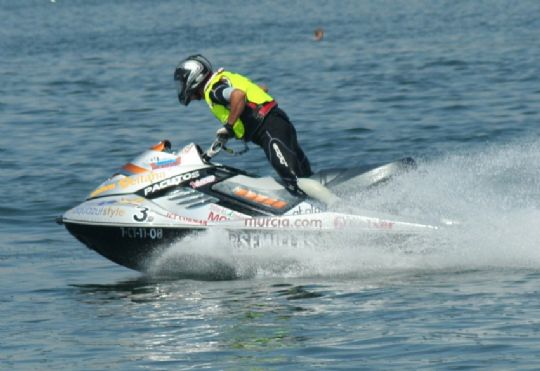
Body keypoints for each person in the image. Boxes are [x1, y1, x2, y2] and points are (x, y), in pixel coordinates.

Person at [173, 54, 338, 205]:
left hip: (269, 130)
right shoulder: (224, 79)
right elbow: (261, 89)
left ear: (194, 78)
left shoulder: (214, 91)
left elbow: (239, 96)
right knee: (304, 176)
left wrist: (230, 126)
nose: (181, 88)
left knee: (294, 182)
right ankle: (326, 205)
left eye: (182, 82)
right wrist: (230, 130)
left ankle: (338, 208)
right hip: (277, 123)